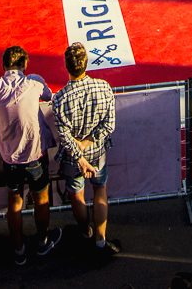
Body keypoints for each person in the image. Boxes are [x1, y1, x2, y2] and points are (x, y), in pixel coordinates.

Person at [0, 45, 61, 263]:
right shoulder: (33, 81)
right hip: (35, 154)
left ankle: (18, 249)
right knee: (41, 199)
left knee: (14, 202)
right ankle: (43, 242)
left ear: (3, 66)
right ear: (24, 65)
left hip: (9, 158)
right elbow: (48, 96)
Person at [52, 41, 119, 256]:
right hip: (97, 153)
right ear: (86, 64)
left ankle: (86, 233)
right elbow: (109, 125)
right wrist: (89, 142)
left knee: (77, 196)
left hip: (74, 159)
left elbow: (64, 135)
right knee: (100, 190)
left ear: (66, 66)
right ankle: (101, 240)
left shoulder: (60, 99)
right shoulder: (104, 87)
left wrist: (79, 154)